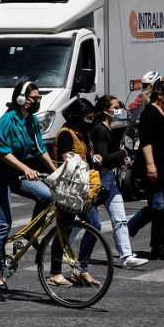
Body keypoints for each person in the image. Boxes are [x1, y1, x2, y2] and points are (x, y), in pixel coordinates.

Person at [0, 81, 56, 290]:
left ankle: (32, 232)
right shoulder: (8, 120)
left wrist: (55, 171)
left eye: (39, 98)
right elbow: (3, 153)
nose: (37, 101)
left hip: (13, 174)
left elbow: (40, 149)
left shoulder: (32, 121)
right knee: (3, 224)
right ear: (21, 99)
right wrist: (25, 169)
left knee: (47, 196)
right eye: (34, 98)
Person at [46, 99, 105, 288]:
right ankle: (55, 273)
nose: (90, 119)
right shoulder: (65, 134)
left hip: (82, 189)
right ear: (77, 115)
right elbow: (67, 161)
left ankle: (81, 269)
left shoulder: (83, 133)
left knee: (94, 225)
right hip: (69, 190)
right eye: (87, 115)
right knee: (64, 230)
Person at [127, 80, 164, 261]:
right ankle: (126, 230)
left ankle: (158, 247)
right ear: (160, 94)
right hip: (154, 167)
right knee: (159, 206)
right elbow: (146, 141)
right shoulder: (150, 113)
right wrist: (151, 165)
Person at [91, 95, 148, 269]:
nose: (117, 110)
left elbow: (112, 156)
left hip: (111, 180)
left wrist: (123, 159)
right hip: (99, 180)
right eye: (115, 107)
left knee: (120, 219)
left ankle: (126, 256)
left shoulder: (109, 128)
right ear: (104, 110)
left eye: (118, 107)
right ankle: (63, 251)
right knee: (83, 220)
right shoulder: (100, 130)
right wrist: (122, 155)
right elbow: (105, 159)